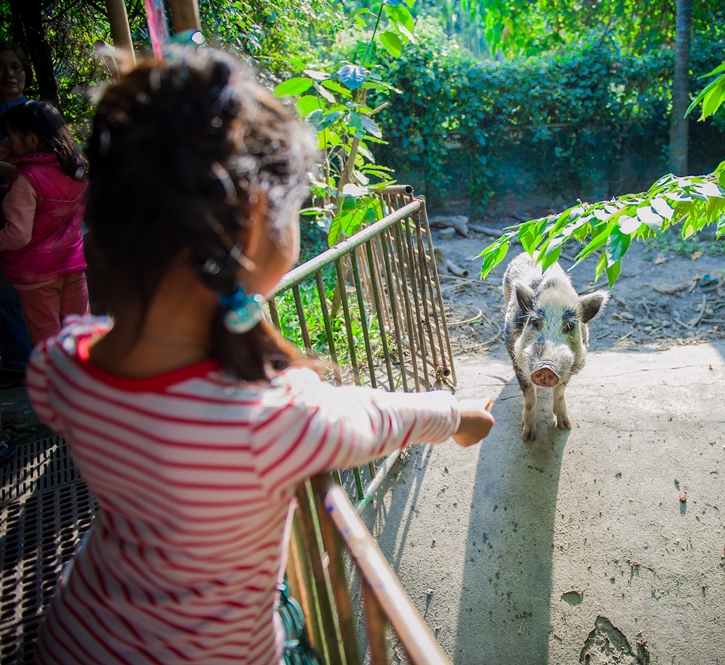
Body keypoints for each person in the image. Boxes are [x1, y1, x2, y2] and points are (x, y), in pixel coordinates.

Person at [27, 47, 494, 664]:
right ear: (252, 219)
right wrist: (456, 415)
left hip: (72, 637)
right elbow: (379, 416)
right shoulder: (266, 423)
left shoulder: (62, 362)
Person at [0, 101, 89, 346]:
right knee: (82, 333)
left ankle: (51, 383)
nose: (7, 143)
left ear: (30, 140)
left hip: (36, 275)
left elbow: (18, 235)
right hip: (72, 265)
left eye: (10, 137)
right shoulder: (73, 169)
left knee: (47, 341)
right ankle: (84, 380)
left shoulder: (25, 180)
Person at [0, 42, 34, 390]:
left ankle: (29, 364)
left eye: (16, 67)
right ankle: (19, 363)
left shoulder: (36, 115)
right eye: (2, 67)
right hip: (7, 218)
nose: (9, 74)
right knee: (8, 295)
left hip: (37, 223)